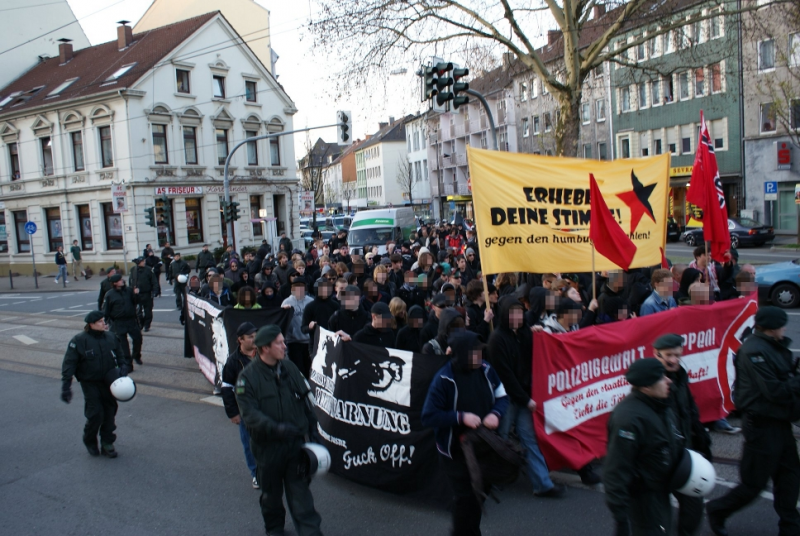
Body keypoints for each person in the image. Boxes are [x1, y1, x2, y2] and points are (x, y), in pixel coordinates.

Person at [706, 307, 800, 536]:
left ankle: (790, 526)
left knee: (789, 477)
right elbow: (774, 391)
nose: (784, 329)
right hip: (761, 426)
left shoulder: (773, 347)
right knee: (753, 484)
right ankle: (717, 510)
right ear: (770, 328)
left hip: (779, 423)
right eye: (781, 325)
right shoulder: (753, 352)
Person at [235, 325, 323, 536]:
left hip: (295, 447)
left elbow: (305, 401)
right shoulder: (246, 379)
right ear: (265, 348)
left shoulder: (290, 368)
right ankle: (274, 529)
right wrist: (276, 429)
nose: (285, 345)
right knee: (271, 496)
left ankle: (311, 532)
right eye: (279, 343)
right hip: (268, 450)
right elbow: (250, 415)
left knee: (301, 496)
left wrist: (314, 433)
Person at [421, 330, 508, 536]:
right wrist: (460, 417)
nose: (479, 357)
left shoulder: (487, 370)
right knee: (464, 497)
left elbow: (502, 396)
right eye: (474, 353)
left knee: (480, 493)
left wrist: (496, 413)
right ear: (461, 354)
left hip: (483, 447)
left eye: (480, 352)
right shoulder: (444, 379)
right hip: (454, 450)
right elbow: (428, 415)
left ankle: (473, 531)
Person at [489, 295, 565, 497]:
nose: (517, 316)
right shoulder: (497, 340)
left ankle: (542, 484)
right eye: (512, 313)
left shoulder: (525, 334)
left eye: (519, 312)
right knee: (501, 439)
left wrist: (539, 334)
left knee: (529, 439)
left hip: (523, 396)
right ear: (504, 315)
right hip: (507, 399)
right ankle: (491, 479)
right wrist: (526, 399)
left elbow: (538, 356)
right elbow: (505, 375)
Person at [604, 358, 682, 536]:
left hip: (662, 490)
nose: (668, 380)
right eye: (661, 378)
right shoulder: (629, 419)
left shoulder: (661, 405)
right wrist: (620, 518)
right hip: (644, 500)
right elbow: (616, 469)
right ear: (646, 386)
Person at [652, 333, 711, 536]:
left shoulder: (681, 376)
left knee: (694, 507)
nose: (674, 360)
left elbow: (689, 412)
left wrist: (701, 440)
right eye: (669, 355)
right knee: (656, 518)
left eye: (678, 355)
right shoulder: (650, 382)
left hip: (684, 456)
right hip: (659, 461)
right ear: (656, 354)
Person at [61, 310, 129, 458]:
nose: (104, 324)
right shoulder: (79, 340)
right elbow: (69, 363)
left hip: (109, 382)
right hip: (90, 383)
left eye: (104, 320)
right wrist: (66, 385)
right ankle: (90, 440)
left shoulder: (110, 336)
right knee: (95, 414)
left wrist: (123, 364)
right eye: (100, 322)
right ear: (91, 324)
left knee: (110, 411)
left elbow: (119, 352)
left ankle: (107, 442)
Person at [221, 321, 260, 489]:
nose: (254, 339)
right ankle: (256, 474)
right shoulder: (233, 362)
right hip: (247, 411)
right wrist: (233, 413)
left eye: (255, 336)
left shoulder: (264, 352)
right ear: (240, 340)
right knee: (250, 444)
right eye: (250, 337)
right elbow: (227, 388)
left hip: (267, 407)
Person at [103, 274, 143, 369]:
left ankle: (136, 355)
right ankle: (128, 364)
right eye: (120, 280)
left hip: (131, 320)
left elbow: (136, 302)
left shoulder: (128, 290)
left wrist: (136, 294)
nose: (122, 281)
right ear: (115, 283)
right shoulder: (109, 295)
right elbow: (106, 310)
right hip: (118, 322)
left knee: (138, 339)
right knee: (123, 345)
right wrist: (105, 322)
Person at [282, 279, 314, 377]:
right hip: (294, 341)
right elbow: (282, 322)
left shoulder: (311, 301)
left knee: (310, 369)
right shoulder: (287, 302)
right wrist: (284, 311)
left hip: (309, 341)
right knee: (298, 370)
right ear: (292, 289)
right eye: (297, 287)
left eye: (301, 287)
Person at [129, 257, 157, 332]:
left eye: (144, 261)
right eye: (142, 261)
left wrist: (154, 291)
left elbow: (154, 281)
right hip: (137, 294)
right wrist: (131, 290)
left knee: (148, 311)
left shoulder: (148, 270)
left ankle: (147, 325)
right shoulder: (133, 270)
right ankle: (141, 324)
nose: (144, 262)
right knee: (138, 312)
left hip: (147, 293)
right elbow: (130, 281)